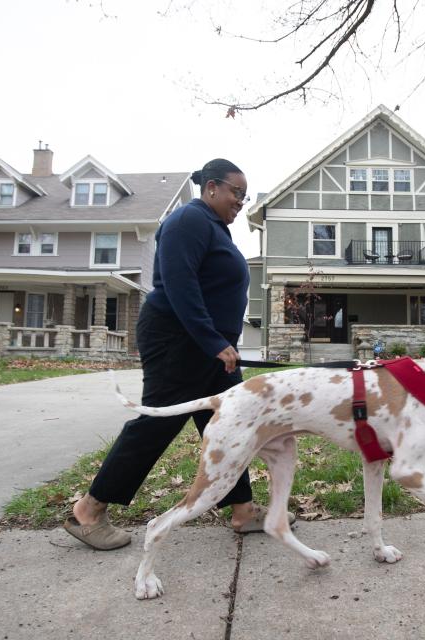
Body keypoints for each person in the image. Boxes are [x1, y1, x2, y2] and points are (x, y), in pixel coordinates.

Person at [64, 158, 290, 550]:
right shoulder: (190, 220)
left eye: (245, 195)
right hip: (179, 339)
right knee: (156, 423)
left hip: (207, 346)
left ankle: (243, 510)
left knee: (230, 424)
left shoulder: (213, 228)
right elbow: (180, 285)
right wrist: (213, 342)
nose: (240, 201)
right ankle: (89, 509)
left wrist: (218, 343)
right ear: (212, 188)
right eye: (236, 192)